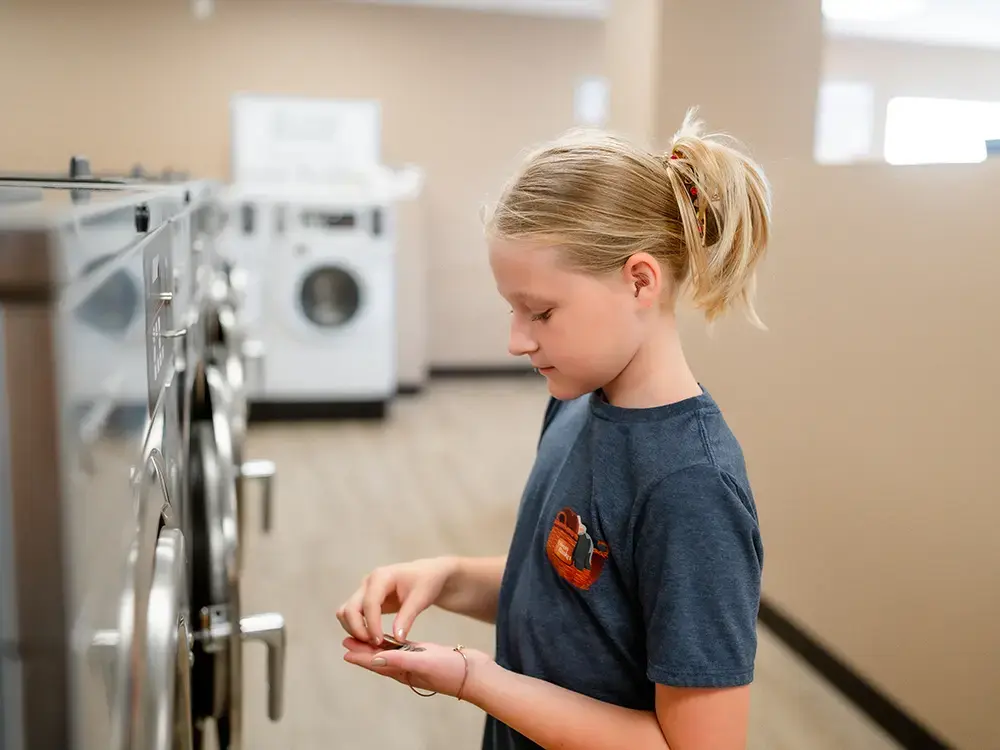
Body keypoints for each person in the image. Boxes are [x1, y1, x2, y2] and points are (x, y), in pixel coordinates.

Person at [338, 107, 769, 750]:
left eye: (540, 313)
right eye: (512, 310)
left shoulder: (690, 487)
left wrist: (476, 680)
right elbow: (570, 592)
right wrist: (449, 576)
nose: (516, 341)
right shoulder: (577, 404)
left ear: (640, 281)